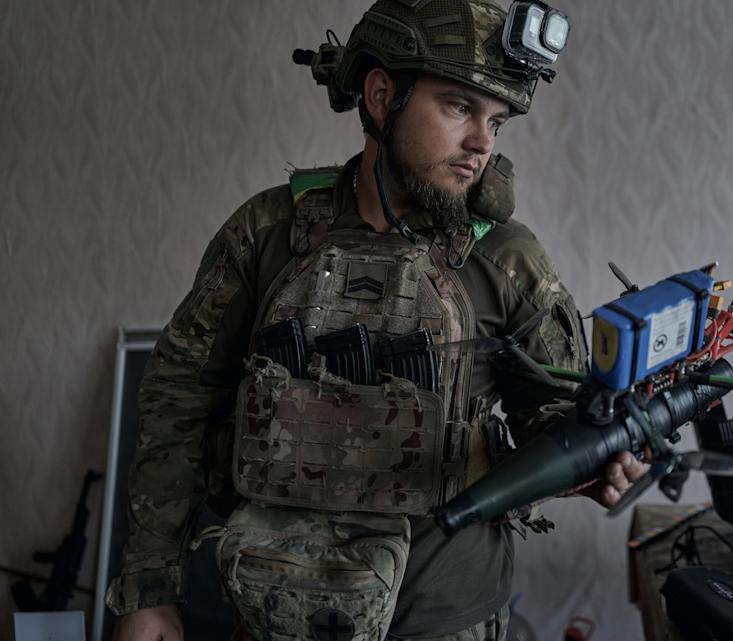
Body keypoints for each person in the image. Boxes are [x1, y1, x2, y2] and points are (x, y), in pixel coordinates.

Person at [107, 2, 647, 640]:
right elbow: (179, 402)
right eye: (457, 108)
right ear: (382, 94)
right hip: (276, 611)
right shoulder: (269, 234)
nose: (482, 143)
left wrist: (603, 456)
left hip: (448, 618)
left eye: (496, 121)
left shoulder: (507, 258)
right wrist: (149, 589)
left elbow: (559, 416)